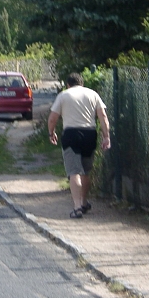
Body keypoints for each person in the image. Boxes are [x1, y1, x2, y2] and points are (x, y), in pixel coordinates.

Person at [48, 72, 111, 219]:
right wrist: (106, 136)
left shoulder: (64, 95)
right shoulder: (93, 94)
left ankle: (77, 207)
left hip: (71, 134)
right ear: (82, 83)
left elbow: (52, 118)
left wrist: (51, 133)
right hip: (89, 134)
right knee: (85, 171)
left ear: (68, 84)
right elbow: (103, 116)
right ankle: (84, 201)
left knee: (74, 171)